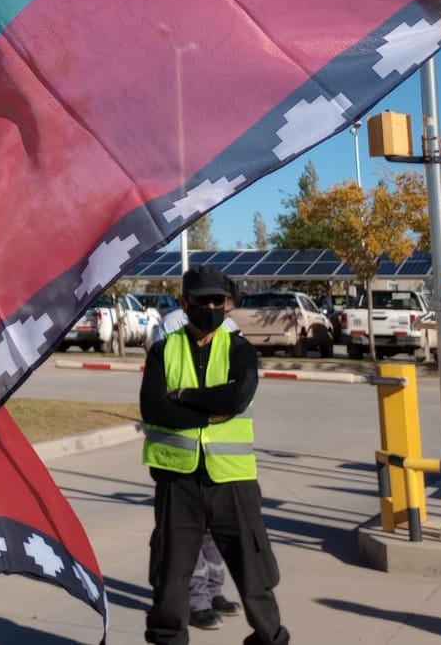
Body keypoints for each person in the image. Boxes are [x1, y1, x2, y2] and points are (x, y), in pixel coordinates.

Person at [140, 268, 289, 645]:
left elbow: (236, 399)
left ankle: (270, 639)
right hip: (178, 481)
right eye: (202, 301)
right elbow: (153, 409)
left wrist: (184, 396)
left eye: (216, 301)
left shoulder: (240, 349)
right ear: (183, 303)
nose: (210, 307)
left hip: (232, 480)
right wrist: (209, 410)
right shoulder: (163, 349)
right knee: (171, 578)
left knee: (255, 576)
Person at [152, 302, 245, 631]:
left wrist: (194, 397)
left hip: (221, 458)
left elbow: (238, 392)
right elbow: (163, 393)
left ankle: (214, 591)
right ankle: (194, 600)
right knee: (184, 535)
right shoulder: (171, 327)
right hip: (180, 455)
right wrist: (205, 405)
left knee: (214, 533)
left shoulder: (230, 331)